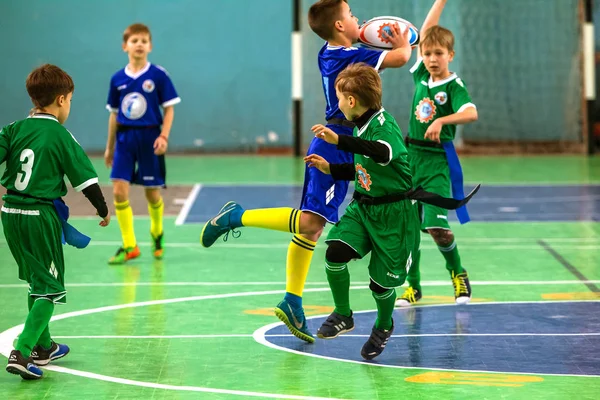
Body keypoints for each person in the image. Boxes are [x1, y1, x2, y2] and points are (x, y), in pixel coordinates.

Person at [200, 0, 412, 343]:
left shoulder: (336, 53)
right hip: (337, 141)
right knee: (310, 222)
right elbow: (402, 58)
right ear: (341, 27)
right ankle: (237, 218)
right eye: (351, 14)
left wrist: (376, 41)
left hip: (340, 140)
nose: (358, 17)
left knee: (312, 226)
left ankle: (292, 300)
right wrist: (403, 39)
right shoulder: (347, 57)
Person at [304, 62, 478, 360]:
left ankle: (384, 324)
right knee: (334, 253)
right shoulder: (360, 124)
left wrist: (340, 140)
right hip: (364, 207)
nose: (336, 103)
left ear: (351, 101)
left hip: (395, 214)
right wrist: (330, 167)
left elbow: (381, 152)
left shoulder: (385, 126)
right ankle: (343, 313)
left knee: (380, 283)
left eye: (338, 97)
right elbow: (363, 168)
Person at [1, 64, 110, 379]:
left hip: (10, 213)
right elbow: (85, 180)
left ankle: (43, 346)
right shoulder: (60, 134)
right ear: (62, 100)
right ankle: (21, 352)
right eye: (71, 101)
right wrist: (102, 209)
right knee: (50, 288)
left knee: (37, 279)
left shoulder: (13, 128)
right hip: (39, 216)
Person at [397, 0, 479, 307]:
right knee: (408, 228)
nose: (432, 58)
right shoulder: (420, 76)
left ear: (450, 55)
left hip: (436, 162)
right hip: (410, 158)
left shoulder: (454, 85)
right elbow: (425, 33)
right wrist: (439, 2)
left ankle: (458, 274)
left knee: (437, 229)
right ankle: (412, 286)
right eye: (427, 53)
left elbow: (471, 113)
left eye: (438, 54)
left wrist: (442, 120)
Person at [104, 23, 181, 264]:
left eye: (144, 41)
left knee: (152, 194)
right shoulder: (117, 79)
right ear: (124, 46)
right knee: (118, 189)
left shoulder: (158, 75)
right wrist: (110, 147)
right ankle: (129, 245)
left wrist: (164, 136)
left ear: (150, 46)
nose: (139, 44)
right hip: (125, 139)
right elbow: (114, 114)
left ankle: (157, 232)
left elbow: (169, 109)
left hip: (150, 138)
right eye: (134, 40)